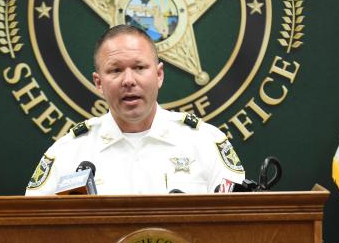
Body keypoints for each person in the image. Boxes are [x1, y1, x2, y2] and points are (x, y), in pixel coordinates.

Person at [23, 24, 245, 196]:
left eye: (139, 68)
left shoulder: (205, 143)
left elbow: (241, 225)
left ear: (159, 75)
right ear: (98, 83)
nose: (128, 80)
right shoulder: (67, 154)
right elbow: (30, 232)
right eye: (115, 70)